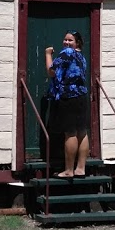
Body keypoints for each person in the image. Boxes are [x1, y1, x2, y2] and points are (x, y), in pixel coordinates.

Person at [44, 30, 90, 178]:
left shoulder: (67, 53)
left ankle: (69, 170)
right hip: (82, 96)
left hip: (69, 97)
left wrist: (48, 54)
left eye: (70, 40)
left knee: (70, 133)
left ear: (77, 43)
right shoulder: (81, 57)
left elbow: (51, 72)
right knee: (82, 132)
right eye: (65, 40)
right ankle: (80, 168)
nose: (67, 43)